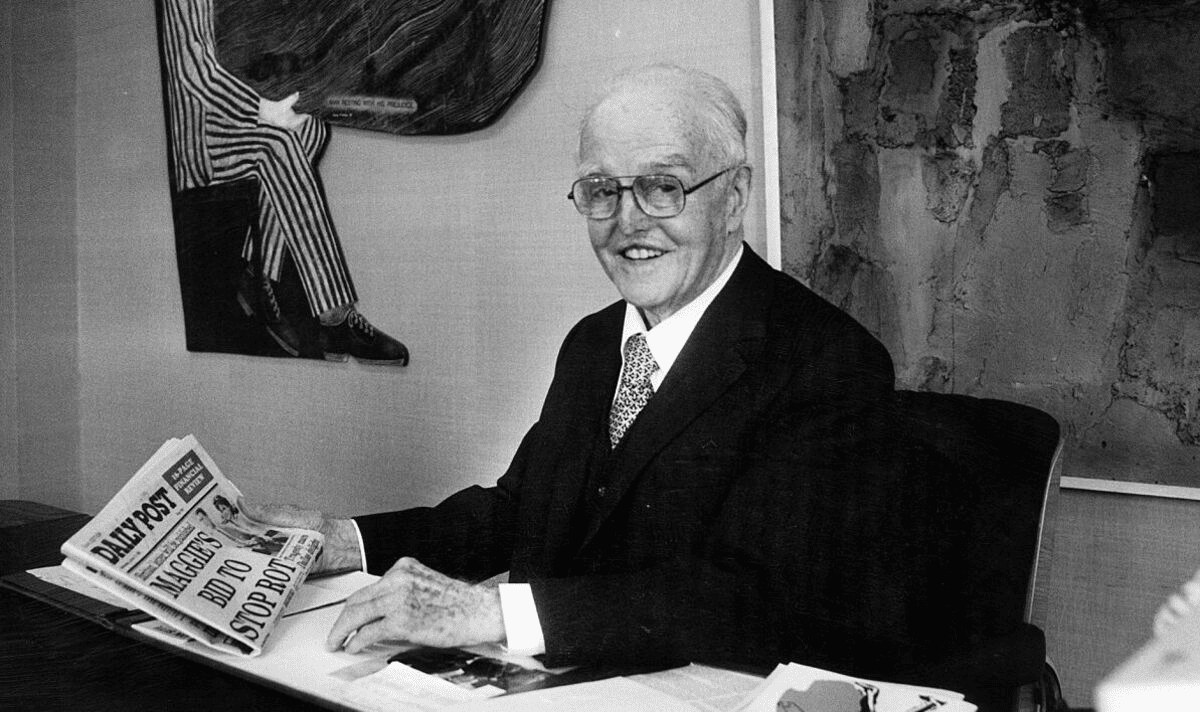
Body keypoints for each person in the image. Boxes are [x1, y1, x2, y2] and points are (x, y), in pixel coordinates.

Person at [247, 65, 952, 680]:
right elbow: (521, 512)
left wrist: (495, 613)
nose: (627, 222)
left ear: (734, 197)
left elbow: (755, 598)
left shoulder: (826, 360)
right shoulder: (592, 342)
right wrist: (344, 539)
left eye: (663, 187)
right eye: (601, 190)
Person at [160, 0, 407, 364]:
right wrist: (262, 110)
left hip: (224, 118)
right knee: (279, 144)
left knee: (311, 130)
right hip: (198, 141)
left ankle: (256, 272)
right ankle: (335, 317)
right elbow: (193, 72)